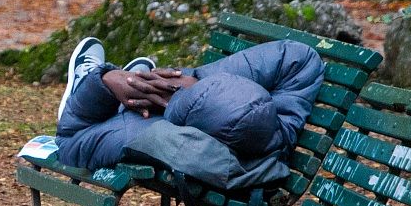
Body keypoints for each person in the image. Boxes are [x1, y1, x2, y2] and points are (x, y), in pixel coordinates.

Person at [55, 36, 323, 174]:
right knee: (223, 104)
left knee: (79, 130)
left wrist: (104, 80)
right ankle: (136, 84)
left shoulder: (176, 141)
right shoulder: (270, 125)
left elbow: (69, 142)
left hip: (99, 125)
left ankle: (89, 83)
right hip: (192, 110)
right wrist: (190, 81)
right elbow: (299, 58)